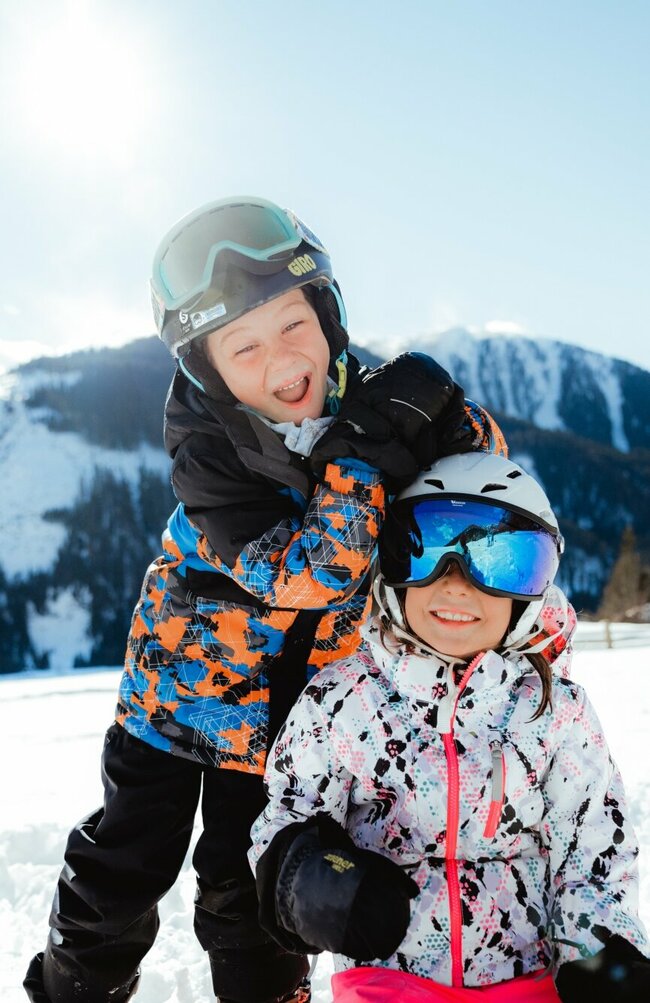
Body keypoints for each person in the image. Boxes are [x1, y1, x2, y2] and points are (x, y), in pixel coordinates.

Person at [24, 197, 492, 1003]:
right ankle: (74, 988)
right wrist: (360, 464)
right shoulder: (209, 455)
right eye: (243, 345)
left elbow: (476, 487)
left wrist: (448, 421)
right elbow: (310, 573)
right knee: (125, 866)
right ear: (210, 371)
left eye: (292, 325)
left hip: (287, 715)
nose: (280, 359)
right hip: (176, 699)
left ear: (329, 318)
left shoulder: (363, 403)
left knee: (249, 885)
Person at [250, 451, 650, 1002]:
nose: (458, 584)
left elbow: (592, 850)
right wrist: (308, 879)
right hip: (385, 976)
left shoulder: (557, 712)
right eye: (428, 549)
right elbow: (288, 812)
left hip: (528, 981)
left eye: (502, 560)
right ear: (393, 568)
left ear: (531, 593)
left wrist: (599, 955)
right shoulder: (342, 699)